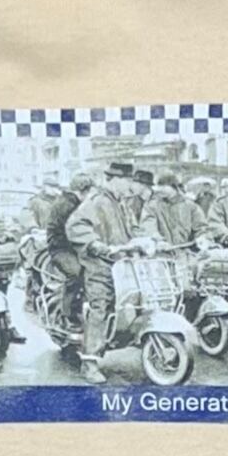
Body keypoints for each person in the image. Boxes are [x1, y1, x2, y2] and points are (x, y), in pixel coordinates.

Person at [65, 162, 148, 381]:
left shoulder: (122, 203)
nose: (129, 185)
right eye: (126, 181)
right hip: (99, 264)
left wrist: (147, 240)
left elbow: (134, 228)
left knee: (138, 299)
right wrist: (95, 244)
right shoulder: (96, 201)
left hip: (122, 264)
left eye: (131, 181)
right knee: (100, 306)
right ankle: (89, 363)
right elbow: (75, 226)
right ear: (113, 180)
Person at [144, 169, 199, 249]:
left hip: (187, 251)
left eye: (162, 186)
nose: (159, 190)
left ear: (173, 186)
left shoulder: (190, 205)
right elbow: (148, 225)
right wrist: (157, 240)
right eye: (158, 186)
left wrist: (201, 239)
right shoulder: (152, 205)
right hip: (162, 251)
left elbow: (201, 227)